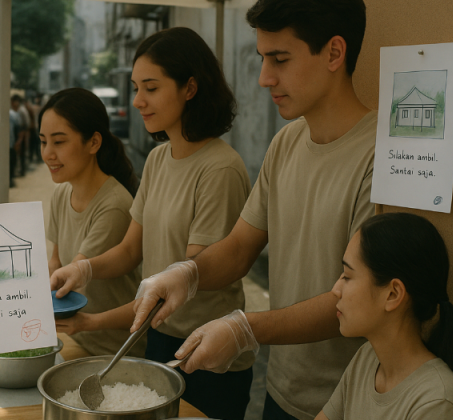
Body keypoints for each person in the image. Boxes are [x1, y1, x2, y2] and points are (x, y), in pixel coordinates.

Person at [129, 1, 377, 419]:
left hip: (346, 398)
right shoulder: (286, 143)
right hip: (280, 387)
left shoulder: (378, 157)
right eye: (263, 58)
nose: (264, 78)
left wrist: (246, 327)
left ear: (335, 53)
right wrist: (187, 274)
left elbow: (357, 299)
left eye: (280, 59)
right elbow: (241, 246)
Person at [50, 27, 254, 419]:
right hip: (157, 339)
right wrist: (84, 268)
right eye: (135, 87)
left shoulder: (220, 167)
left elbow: (183, 283)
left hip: (207, 352)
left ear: (190, 88)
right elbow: (130, 251)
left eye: (151, 88)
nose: (138, 101)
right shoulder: (160, 159)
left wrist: (91, 322)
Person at [318, 213, 453, 420]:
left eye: (348, 276)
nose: (336, 289)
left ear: (393, 294)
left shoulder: (437, 403)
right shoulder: (367, 358)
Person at [41, 88, 143, 358]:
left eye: (59, 142)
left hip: (111, 350)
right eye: (43, 142)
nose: (48, 153)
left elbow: (73, 274)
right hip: (74, 336)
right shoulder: (62, 192)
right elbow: (56, 262)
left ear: (94, 143)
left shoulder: (114, 204)